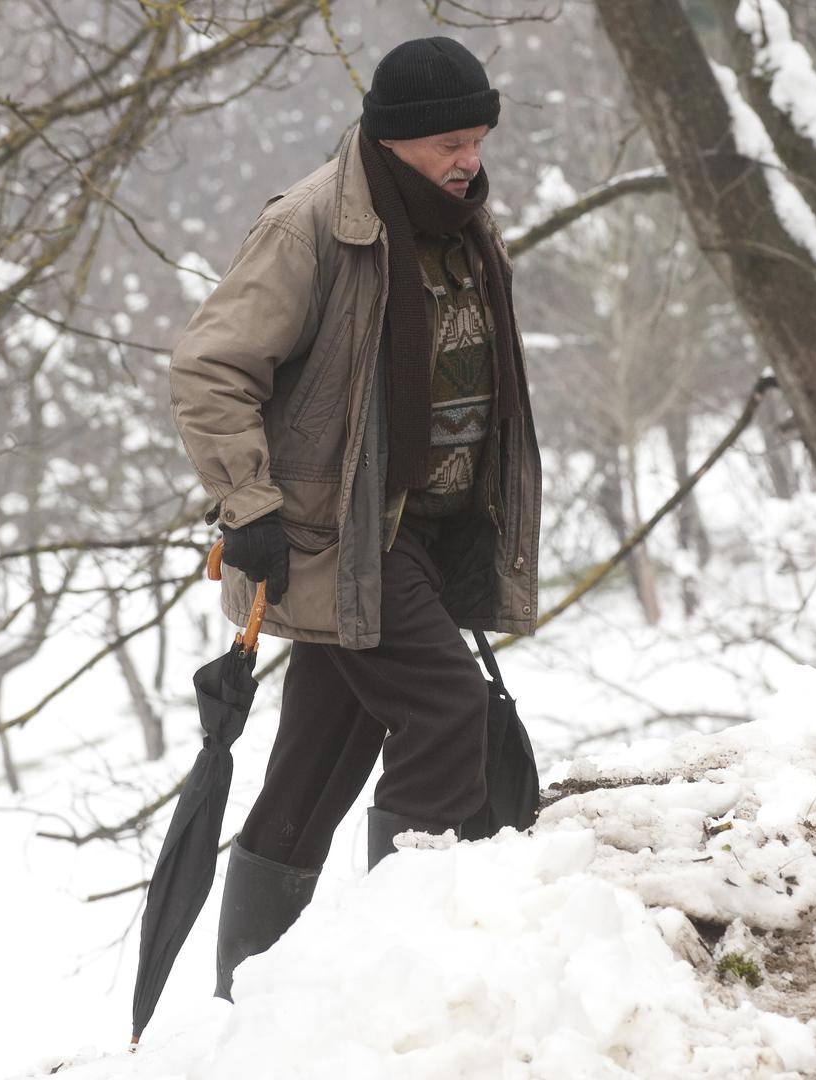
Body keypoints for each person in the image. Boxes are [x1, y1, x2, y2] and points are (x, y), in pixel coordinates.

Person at [168, 36, 541, 998]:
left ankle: (245, 1000)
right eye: (451, 141)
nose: (471, 158)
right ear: (396, 138)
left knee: (317, 762)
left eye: (480, 136)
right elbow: (211, 368)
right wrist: (248, 507)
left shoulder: (462, 221)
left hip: (423, 532)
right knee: (446, 710)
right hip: (340, 539)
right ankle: (400, 976)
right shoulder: (313, 228)